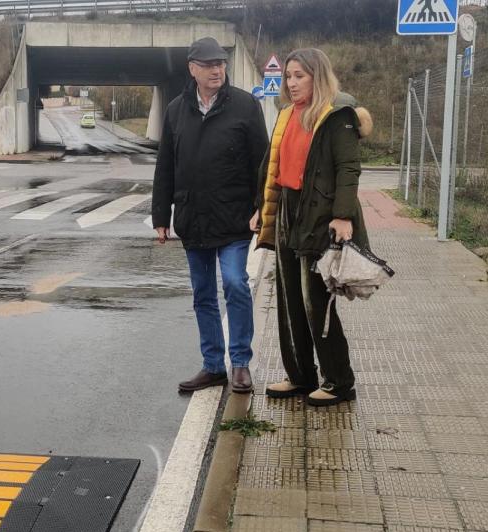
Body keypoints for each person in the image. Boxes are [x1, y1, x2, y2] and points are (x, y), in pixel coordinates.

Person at [250, 48, 373, 407]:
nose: (291, 82)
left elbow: (349, 170)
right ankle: (301, 375)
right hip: (288, 209)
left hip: (320, 214)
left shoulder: (336, 116)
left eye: (299, 75)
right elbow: (270, 165)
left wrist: (343, 216)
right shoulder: (287, 114)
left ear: (317, 76)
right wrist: (262, 207)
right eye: (288, 76)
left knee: (315, 299)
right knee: (289, 300)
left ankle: (338, 380)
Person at [152, 37, 269, 395]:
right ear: (193, 69)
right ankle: (213, 365)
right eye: (208, 64)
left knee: (235, 283)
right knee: (203, 294)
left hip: (234, 218)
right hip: (194, 217)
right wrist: (161, 214)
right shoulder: (175, 110)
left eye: (220, 63)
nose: (217, 69)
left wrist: (262, 208)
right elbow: (165, 166)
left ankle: (240, 364)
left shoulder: (246, 106)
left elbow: (263, 164)